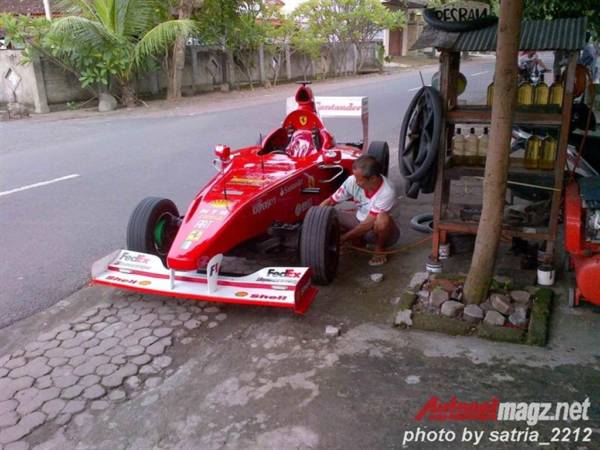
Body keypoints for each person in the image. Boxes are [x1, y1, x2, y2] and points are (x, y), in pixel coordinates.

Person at [320, 155, 400, 266]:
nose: (356, 182)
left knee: (383, 219)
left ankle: (380, 248)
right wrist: (315, 217)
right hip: (358, 219)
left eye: (359, 180)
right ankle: (357, 241)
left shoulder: (387, 191)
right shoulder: (352, 181)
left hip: (375, 230)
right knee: (327, 214)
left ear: (372, 178)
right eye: (355, 177)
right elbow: (330, 201)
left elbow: (368, 224)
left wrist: (343, 238)